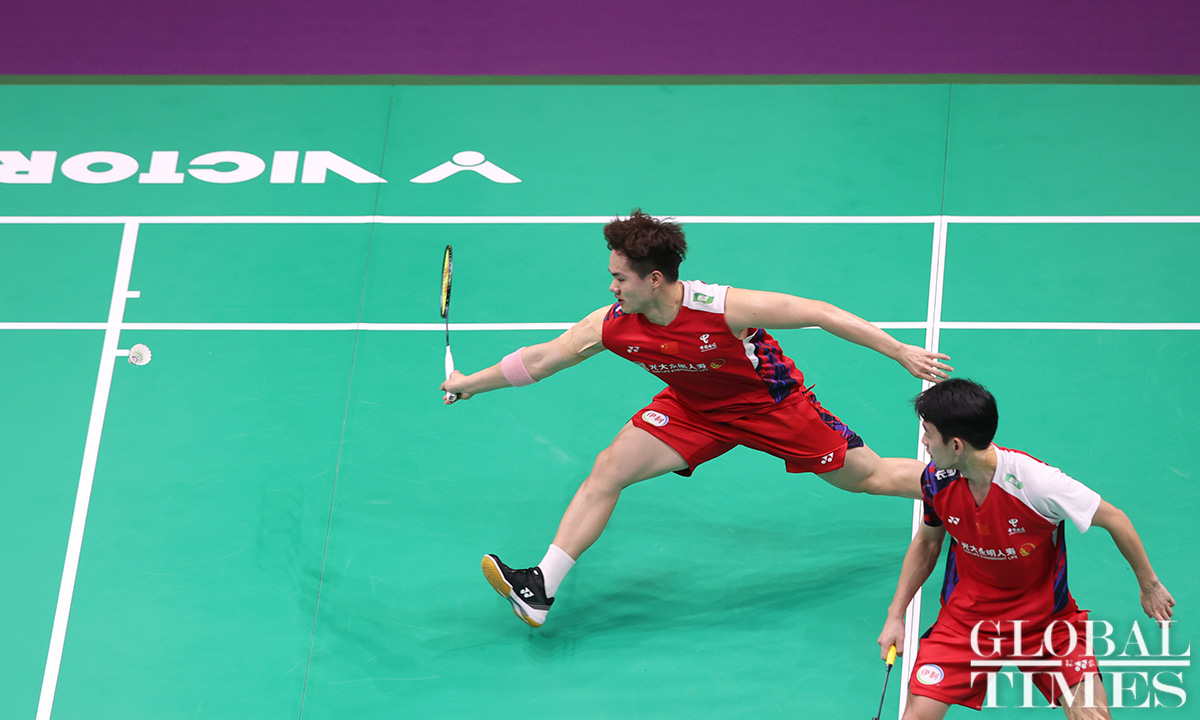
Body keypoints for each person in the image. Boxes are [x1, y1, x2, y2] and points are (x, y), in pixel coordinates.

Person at [441, 210, 953, 628]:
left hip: (771, 408)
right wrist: (469, 384)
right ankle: (540, 587)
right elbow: (542, 359)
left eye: (620, 278)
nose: (612, 287)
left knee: (870, 478)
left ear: (654, 279)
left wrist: (899, 351)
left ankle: (973, 484)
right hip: (693, 409)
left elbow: (818, 311)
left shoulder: (722, 308)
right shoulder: (613, 325)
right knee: (609, 469)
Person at [877, 379, 1175, 719]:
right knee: (918, 714)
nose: (924, 442)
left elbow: (1115, 519)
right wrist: (895, 614)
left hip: (1045, 622)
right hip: (966, 620)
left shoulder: (1036, 483)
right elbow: (928, 543)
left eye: (929, 434)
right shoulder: (936, 480)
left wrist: (1150, 585)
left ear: (956, 445)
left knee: (1092, 714)